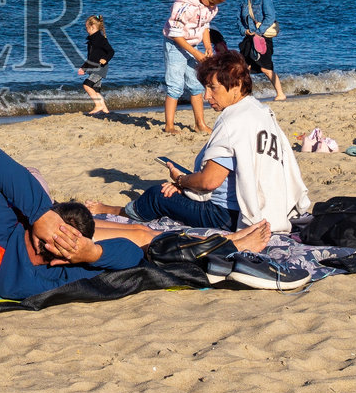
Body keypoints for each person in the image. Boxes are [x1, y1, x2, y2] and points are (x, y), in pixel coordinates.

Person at [0, 96, 156, 299]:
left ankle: (169, 241)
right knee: (139, 235)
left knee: (138, 234)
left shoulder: (37, 275)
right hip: (10, 236)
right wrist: (91, 253)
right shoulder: (64, 272)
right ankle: (171, 242)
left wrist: (42, 216)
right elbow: (132, 255)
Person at [94, 52, 304, 249]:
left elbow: (208, 182)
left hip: (226, 214)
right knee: (176, 187)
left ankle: (115, 211)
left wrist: (181, 182)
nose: (206, 96)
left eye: (213, 88)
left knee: (157, 195)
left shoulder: (233, 121)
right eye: (205, 88)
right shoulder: (261, 111)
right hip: (267, 205)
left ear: (237, 85)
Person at [162, 0, 228, 135]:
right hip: (175, 44)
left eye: (215, 4)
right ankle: (169, 126)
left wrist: (207, 45)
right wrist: (196, 53)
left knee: (196, 84)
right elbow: (175, 34)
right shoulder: (184, 6)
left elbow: (205, 26)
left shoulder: (209, 6)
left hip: (194, 44)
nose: (212, 6)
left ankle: (200, 124)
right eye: (211, 2)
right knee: (175, 85)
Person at [237, 0, 286, 101]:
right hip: (248, 38)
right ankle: (244, 95)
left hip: (262, 38)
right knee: (244, 68)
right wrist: (244, 31)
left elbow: (270, 17)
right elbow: (238, 19)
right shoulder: (244, 0)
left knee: (265, 68)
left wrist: (258, 32)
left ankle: (280, 93)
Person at [77, 15, 114, 115]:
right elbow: (91, 58)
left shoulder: (100, 39)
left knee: (86, 85)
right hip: (94, 68)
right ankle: (105, 111)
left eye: (87, 28)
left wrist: (105, 59)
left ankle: (98, 105)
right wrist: (83, 68)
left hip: (100, 68)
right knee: (95, 90)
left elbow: (111, 51)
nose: (86, 30)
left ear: (92, 26)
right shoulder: (92, 40)